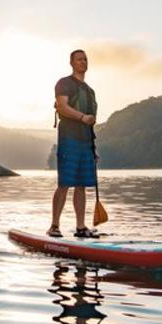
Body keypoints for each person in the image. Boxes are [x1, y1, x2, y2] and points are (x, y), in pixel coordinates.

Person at [48, 49, 99, 238]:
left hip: (86, 142)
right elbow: (62, 106)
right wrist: (82, 116)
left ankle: (80, 227)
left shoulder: (90, 91)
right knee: (65, 183)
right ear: (71, 63)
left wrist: (94, 148)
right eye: (79, 59)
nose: (83, 62)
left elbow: (91, 123)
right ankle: (54, 226)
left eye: (85, 59)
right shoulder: (64, 83)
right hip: (69, 138)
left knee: (82, 185)